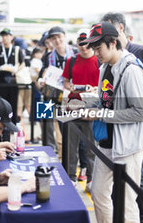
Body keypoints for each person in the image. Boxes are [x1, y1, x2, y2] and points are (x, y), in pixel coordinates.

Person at [80, 22, 143, 223]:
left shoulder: (131, 69)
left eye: (98, 47)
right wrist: (81, 103)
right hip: (107, 143)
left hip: (128, 146)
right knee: (99, 193)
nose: (95, 53)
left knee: (126, 205)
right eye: (93, 48)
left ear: (112, 43)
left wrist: (100, 114)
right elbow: (106, 100)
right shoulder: (105, 68)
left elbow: (139, 112)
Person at [102, 12, 143, 223]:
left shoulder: (137, 54)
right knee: (124, 187)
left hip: (132, 136)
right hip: (113, 137)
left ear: (118, 30)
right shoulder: (106, 63)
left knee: (137, 182)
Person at [62, 29, 99, 190]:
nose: (83, 47)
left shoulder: (99, 60)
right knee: (71, 145)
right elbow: (65, 81)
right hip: (74, 105)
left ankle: (91, 179)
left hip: (92, 105)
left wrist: (95, 89)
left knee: (91, 145)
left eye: (86, 43)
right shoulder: (71, 60)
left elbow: (106, 84)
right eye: (80, 43)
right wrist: (70, 87)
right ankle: (71, 176)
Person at [0, 28, 25, 125]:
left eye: (7, 36)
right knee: (0, 101)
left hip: (13, 79)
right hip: (0, 79)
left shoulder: (16, 49)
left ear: (11, 37)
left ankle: (12, 122)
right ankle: (0, 122)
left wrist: (17, 69)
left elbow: (22, 63)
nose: (5, 38)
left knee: (13, 101)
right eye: (3, 36)